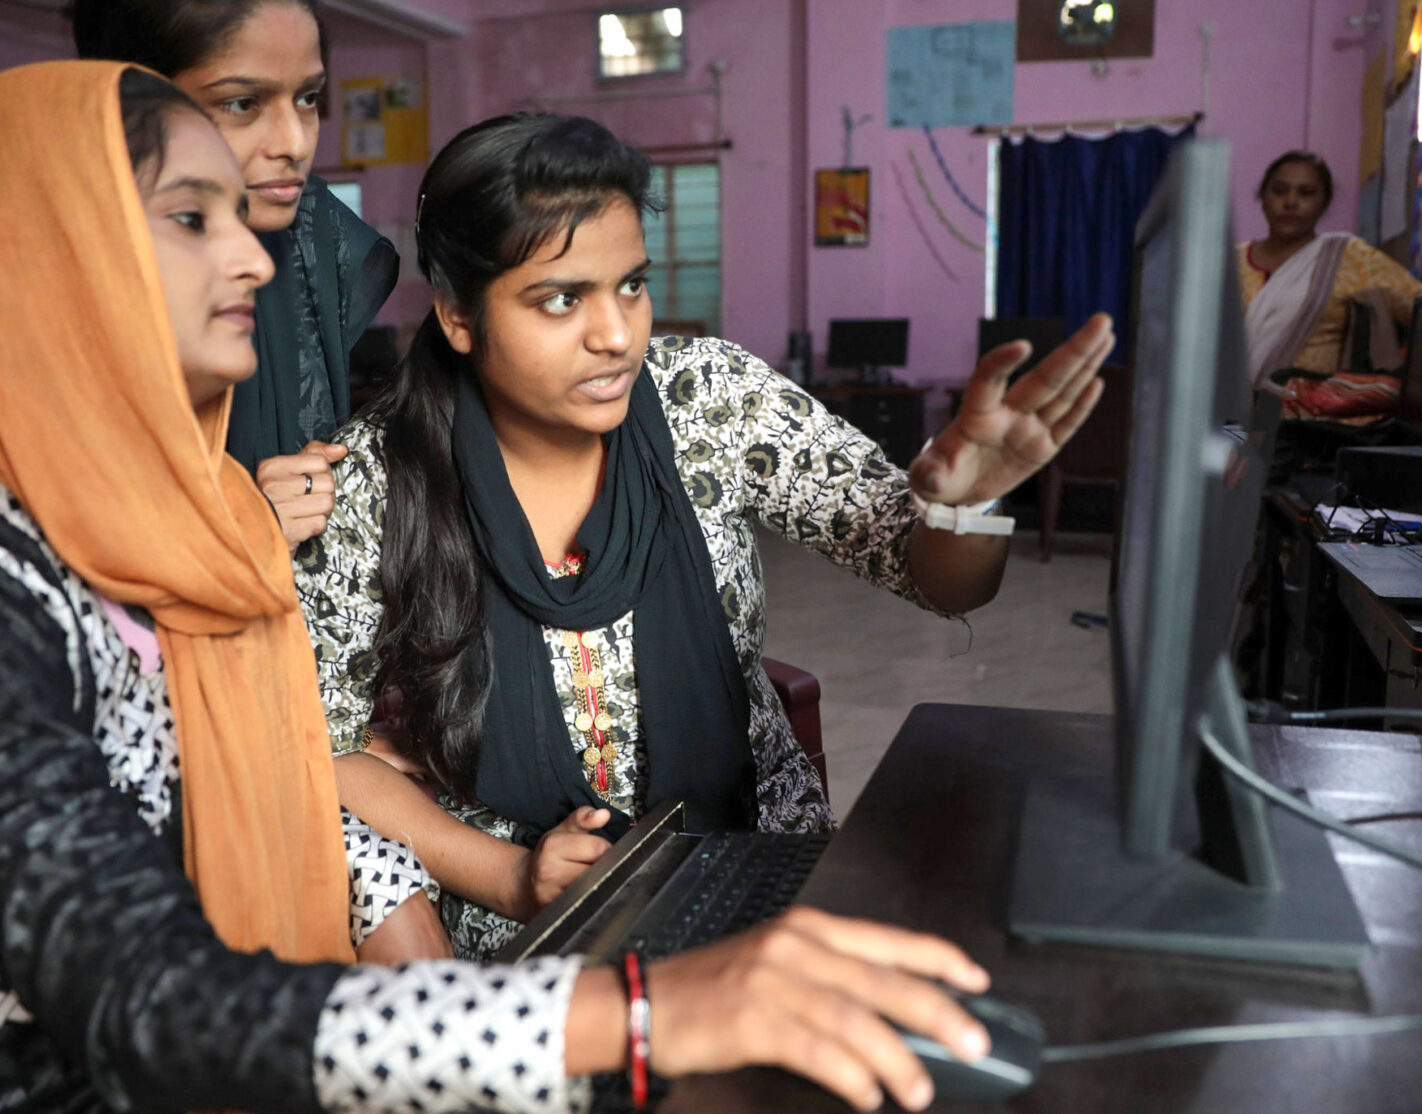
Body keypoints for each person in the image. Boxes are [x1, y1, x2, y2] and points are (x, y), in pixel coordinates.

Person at [0, 60, 997, 1114]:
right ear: (45, 256)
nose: (252, 251)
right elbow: (145, 989)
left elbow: (293, 780)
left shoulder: (176, 536)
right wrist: (631, 1007)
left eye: (244, 212)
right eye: (193, 217)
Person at [297, 112, 1113, 958]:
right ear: (459, 316)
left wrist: (962, 507)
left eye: (631, 285)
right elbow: (324, 745)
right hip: (528, 912)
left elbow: (937, 578)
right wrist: (510, 875)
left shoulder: (708, 400)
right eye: (562, 299)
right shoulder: (374, 480)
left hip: (756, 849)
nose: (617, 335)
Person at [73, 0, 400, 547]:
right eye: (243, 103)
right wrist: (239, 524)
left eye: (308, 98)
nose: (295, 144)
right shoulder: (44, 283)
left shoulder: (313, 241)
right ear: (130, 102)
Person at [1240, 150, 1422, 423]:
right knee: (1228, 458)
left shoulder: (1347, 257)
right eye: (1279, 191)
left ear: (1325, 202)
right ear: (1262, 196)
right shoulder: (1230, 261)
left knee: (1274, 461)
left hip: (1308, 429)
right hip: (1229, 418)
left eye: (1306, 193)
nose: (1291, 202)